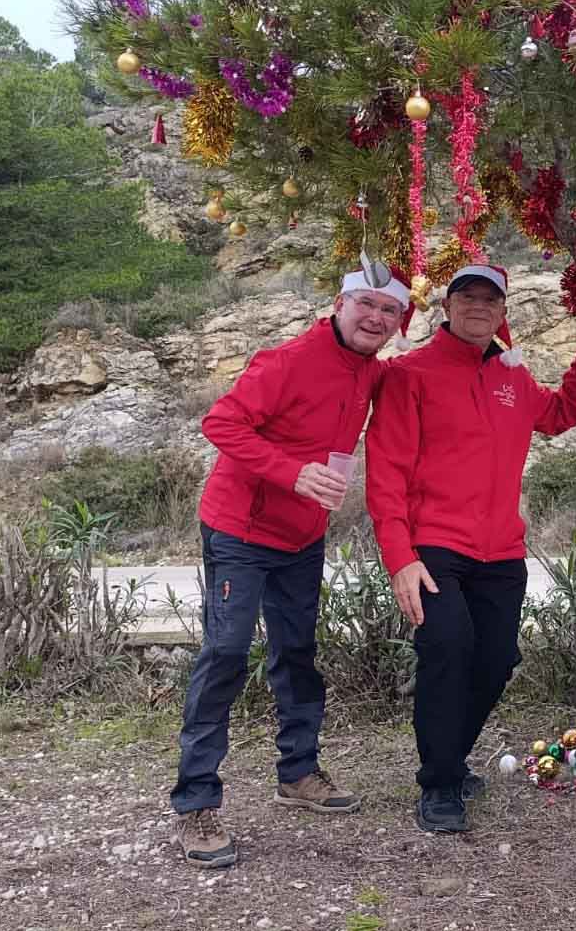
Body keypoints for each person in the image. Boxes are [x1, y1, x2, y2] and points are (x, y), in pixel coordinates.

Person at [171, 262, 411, 869]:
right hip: (240, 531)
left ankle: (298, 774)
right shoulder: (285, 361)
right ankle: (196, 803)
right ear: (340, 302)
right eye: (367, 305)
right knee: (226, 654)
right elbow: (220, 422)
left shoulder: (370, 371)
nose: (376, 318)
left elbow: (418, 378)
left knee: (297, 652)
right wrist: (291, 471)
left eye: (390, 311)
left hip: (303, 537)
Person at [365, 263, 576, 834]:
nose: (479, 306)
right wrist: (400, 557)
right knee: (448, 647)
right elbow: (386, 473)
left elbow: (559, 415)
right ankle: (440, 782)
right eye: (467, 296)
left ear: (503, 313)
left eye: (490, 300)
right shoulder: (409, 373)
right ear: (447, 306)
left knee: (496, 662)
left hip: (501, 552)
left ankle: (448, 758)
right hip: (434, 547)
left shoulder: (510, 377)